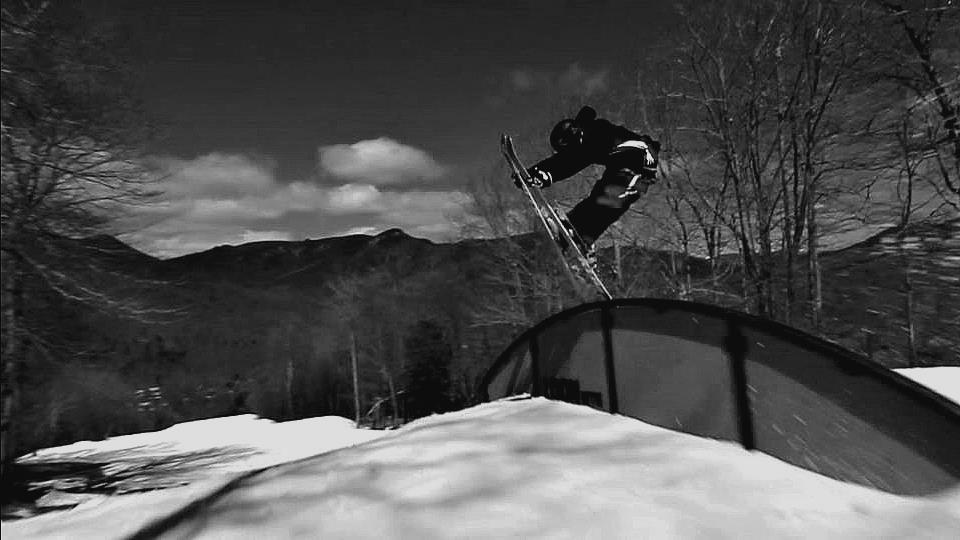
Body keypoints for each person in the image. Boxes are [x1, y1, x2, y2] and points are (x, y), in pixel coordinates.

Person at [515, 105, 660, 263]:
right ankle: (578, 237)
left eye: (566, 148)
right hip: (627, 167)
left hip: (640, 166)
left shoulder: (595, 133)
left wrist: (539, 173)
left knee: (608, 199)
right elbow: (569, 159)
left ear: (571, 137)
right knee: (601, 201)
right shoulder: (589, 135)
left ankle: (579, 237)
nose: (568, 151)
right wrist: (537, 173)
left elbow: (569, 162)